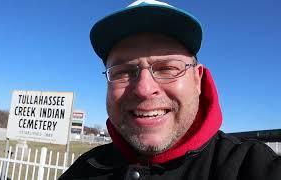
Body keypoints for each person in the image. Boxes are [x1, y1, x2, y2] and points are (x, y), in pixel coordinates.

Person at [59, 0, 281, 179]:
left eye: (167, 68)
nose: (144, 89)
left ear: (198, 79)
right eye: (123, 71)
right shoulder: (84, 170)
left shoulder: (252, 166)